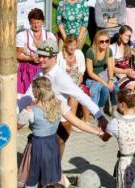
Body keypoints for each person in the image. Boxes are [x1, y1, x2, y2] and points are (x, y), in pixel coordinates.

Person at [17, 39, 109, 169]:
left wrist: (99, 116)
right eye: (40, 55)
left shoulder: (60, 77)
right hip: (41, 127)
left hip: (59, 127)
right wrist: (16, 110)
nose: (41, 59)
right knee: (44, 168)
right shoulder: (39, 74)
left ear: (54, 57)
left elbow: (81, 96)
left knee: (50, 167)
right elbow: (28, 96)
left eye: (45, 57)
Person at [18, 77, 106, 188]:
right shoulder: (59, 104)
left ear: (37, 91)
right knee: (52, 181)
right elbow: (77, 122)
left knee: (33, 183)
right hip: (52, 146)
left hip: (37, 147)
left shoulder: (30, 111)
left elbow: (15, 127)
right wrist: (96, 132)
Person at [15, 8, 57, 95]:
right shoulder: (22, 35)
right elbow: (18, 54)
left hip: (45, 70)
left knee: (44, 96)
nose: (36, 25)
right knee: (26, 97)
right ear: (30, 22)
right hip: (27, 70)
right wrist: (30, 58)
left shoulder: (49, 36)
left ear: (42, 21)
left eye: (38, 22)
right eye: (33, 23)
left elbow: (54, 55)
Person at [110, 25, 135, 112]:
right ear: (120, 34)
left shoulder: (130, 45)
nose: (128, 38)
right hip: (119, 73)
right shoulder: (113, 48)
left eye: (129, 36)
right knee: (131, 85)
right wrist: (125, 72)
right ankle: (128, 110)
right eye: (126, 35)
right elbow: (110, 68)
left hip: (131, 70)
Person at [57, 35, 90, 120]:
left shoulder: (79, 53)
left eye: (74, 45)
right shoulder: (60, 56)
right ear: (66, 45)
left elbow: (81, 71)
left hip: (77, 82)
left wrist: (80, 76)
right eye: (70, 45)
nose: (72, 47)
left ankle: (86, 120)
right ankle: (72, 121)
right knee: (73, 95)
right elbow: (58, 74)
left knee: (85, 94)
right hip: (64, 84)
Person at [85, 30, 118, 112]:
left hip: (104, 76)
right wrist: (104, 82)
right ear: (96, 41)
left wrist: (110, 80)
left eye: (107, 41)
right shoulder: (90, 52)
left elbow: (110, 67)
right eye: (101, 41)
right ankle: (100, 108)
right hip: (94, 79)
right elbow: (90, 72)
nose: (104, 43)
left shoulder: (108, 50)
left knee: (116, 89)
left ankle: (114, 108)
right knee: (106, 90)